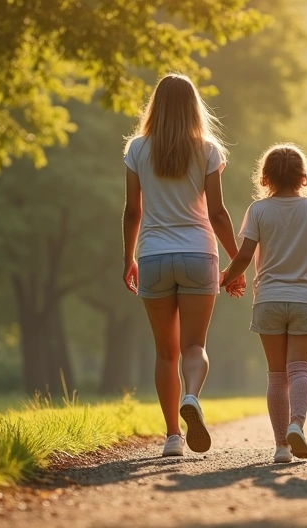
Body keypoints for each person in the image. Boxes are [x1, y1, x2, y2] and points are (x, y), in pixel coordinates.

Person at [121, 73, 245, 458]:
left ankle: (173, 436)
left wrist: (128, 258)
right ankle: (191, 396)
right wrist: (237, 261)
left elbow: (132, 210)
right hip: (198, 254)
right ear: (194, 107)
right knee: (194, 346)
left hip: (153, 256)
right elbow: (218, 213)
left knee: (166, 353)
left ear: (155, 106)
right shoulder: (207, 150)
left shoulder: (137, 149)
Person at [220, 144, 307, 463]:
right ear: (304, 178)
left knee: (277, 376)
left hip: (269, 299)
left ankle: (281, 446)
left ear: (265, 178)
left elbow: (245, 256)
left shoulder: (258, 211)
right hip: (306, 300)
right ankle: (297, 424)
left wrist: (226, 277)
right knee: (300, 369)